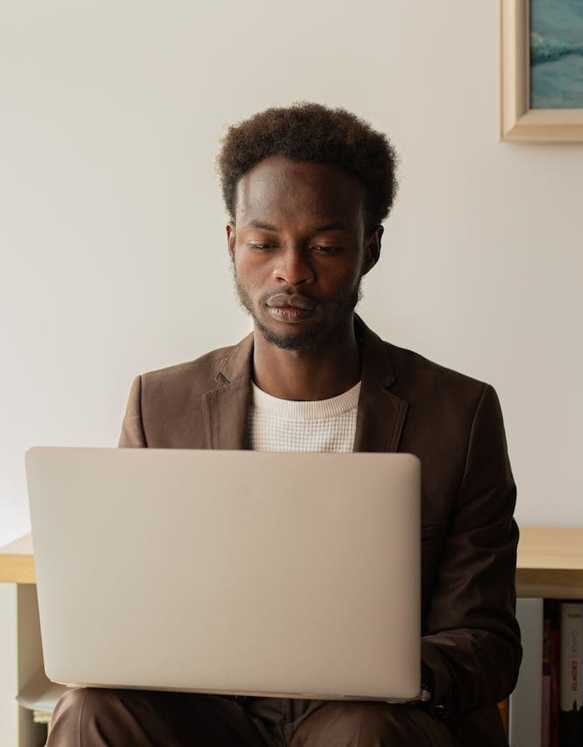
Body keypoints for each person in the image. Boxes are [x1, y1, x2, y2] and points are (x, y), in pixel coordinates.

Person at [45, 103, 521, 747]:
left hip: (368, 715)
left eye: (323, 246)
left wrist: (391, 675)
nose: (290, 272)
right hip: (209, 714)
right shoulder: (160, 404)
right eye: (264, 243)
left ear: (370, 247)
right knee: (88, 710)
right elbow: (131, 602)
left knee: (360, 733)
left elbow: (486, 641)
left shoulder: (457, 414)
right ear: (232, 243)